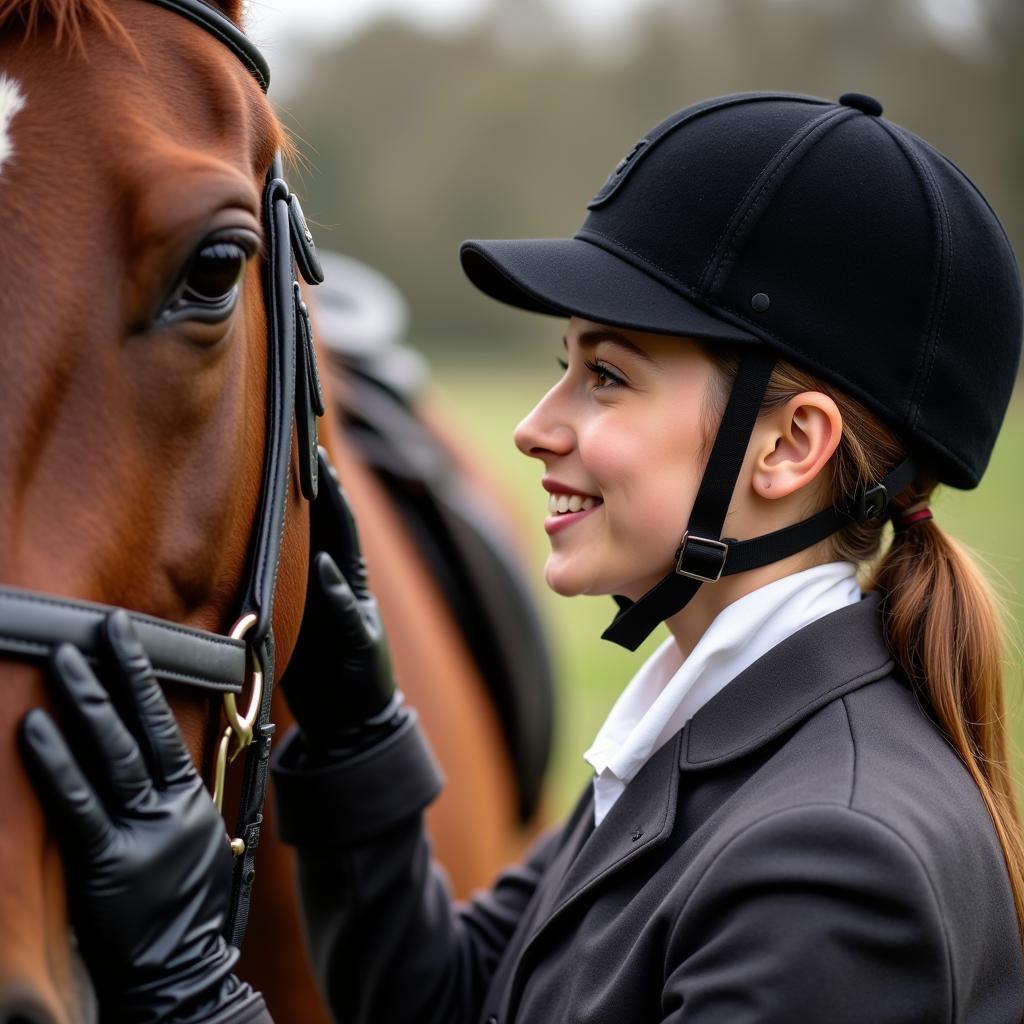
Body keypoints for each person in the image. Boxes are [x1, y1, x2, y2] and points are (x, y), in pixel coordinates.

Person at [19, 90, 1024, 1022]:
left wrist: (187, 984)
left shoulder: (835, 867)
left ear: (786, 445)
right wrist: (350, 729)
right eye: (562, 366)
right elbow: (449, 1001)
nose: (536, 428)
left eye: (607, 376)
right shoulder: (710, 731)